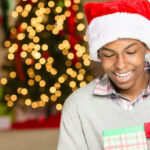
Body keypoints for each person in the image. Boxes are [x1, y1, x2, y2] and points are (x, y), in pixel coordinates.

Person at [57, 0, 150, 149]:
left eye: (131, 52)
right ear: (98, 55)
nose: (121, 64)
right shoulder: (78, 106)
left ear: (147, 48)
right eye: (108, 55)